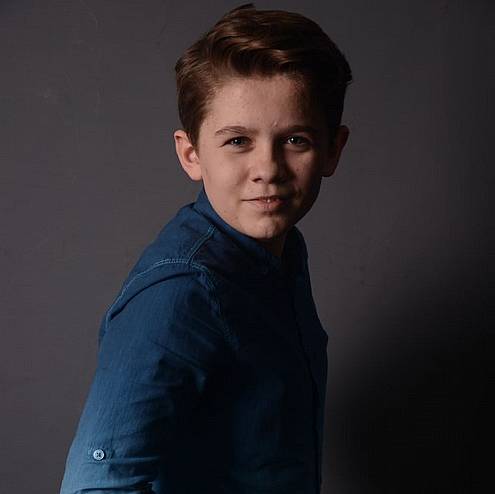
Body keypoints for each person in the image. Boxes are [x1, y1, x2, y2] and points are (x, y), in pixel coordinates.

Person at [59, 3, 351, 493]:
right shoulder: (179, 293)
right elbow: (96, 485)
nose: (268, 168)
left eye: (295, 140)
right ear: (191, 154)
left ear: (332, 150)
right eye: (238, 141)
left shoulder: (281, 254)